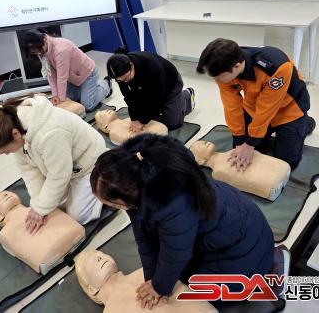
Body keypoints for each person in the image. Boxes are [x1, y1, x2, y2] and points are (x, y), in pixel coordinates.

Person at [90, 134, 277, 309]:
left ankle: (274, 275)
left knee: (190, 286)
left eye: (111, 204)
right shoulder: (139, 183)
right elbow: (144, 238)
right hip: (230, 229)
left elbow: (175, 253)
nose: (112, 207)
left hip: (244, 250)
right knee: (173, 273)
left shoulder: (171, 202)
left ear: (123, 198)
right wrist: (151, 278)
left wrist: (159, 287)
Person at [0, 94, 105, 234]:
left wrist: (41, 208)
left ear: (15, 134)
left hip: (90, 163)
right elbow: (29, 171)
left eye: (5, 151)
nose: (7, 154)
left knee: (78, 217)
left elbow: (59, 175)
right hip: (66, 166)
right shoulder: (14, 129)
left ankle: (104, 181)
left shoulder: (49, 133)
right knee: (54, 207)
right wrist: (38, 204)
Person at [197, 38, 315, 171]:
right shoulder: (223, 67)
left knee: (285, 163)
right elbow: (232, 107)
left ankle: (306, 124)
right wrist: (239, 141)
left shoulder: (276, 67)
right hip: (255, 108)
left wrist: (249, 144)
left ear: (236, 66)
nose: (216, 80)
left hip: (290, 110)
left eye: (218, 76)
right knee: (242, 152)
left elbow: (267, 108)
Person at [75, 250, 217, 312]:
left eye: (101, 253)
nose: (100, 256)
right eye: (89, 261)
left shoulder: (146, 272)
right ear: (91, 288)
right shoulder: (111, 311)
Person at [0, 190, 85, 274]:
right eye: (0, 198)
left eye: (6, 193)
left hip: (63, 245)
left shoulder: (38, 206)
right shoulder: (5, 234)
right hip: (69, 239)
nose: (5, 194)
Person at [20, 29, 112, 111]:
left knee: (88, 105)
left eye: (38, 50)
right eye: (34, 52)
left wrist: (61, 100)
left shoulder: (60, 50)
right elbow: (50, 75)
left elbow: (62, 78)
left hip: (88, 73)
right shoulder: (41, 50)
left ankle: (105, 85)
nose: (38, 53)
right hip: (73, 77)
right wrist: (55, 95)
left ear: (44, 40)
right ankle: (89, 89)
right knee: (70, 98)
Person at [106, 48, 195, 131]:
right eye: (120, 80)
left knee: (172, 123)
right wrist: (134, 118)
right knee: (150, 116)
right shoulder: (121, 75)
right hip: (146, 87)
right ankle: (166, 108)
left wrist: (142, 121)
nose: (125, 82)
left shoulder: (152, 67)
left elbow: (156, 98)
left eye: (126, 78)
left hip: (170, 84)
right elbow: (128, 96)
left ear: (132, 65)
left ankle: (187, 96)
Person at [190, 140, 290, 201]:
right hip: (271, 183)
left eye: (201, 142)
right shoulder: (217, 173)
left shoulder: (232, 151)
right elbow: (245, 183)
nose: (202, 142)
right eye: (197, 146)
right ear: (200, 161)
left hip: (280, 168)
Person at [94, 109, 167, 145]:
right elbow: (134, 141)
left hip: (159, 132)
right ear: (104, 126)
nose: (106, 110)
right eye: (101, 114)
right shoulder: (114, 132)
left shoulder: (128, 119)